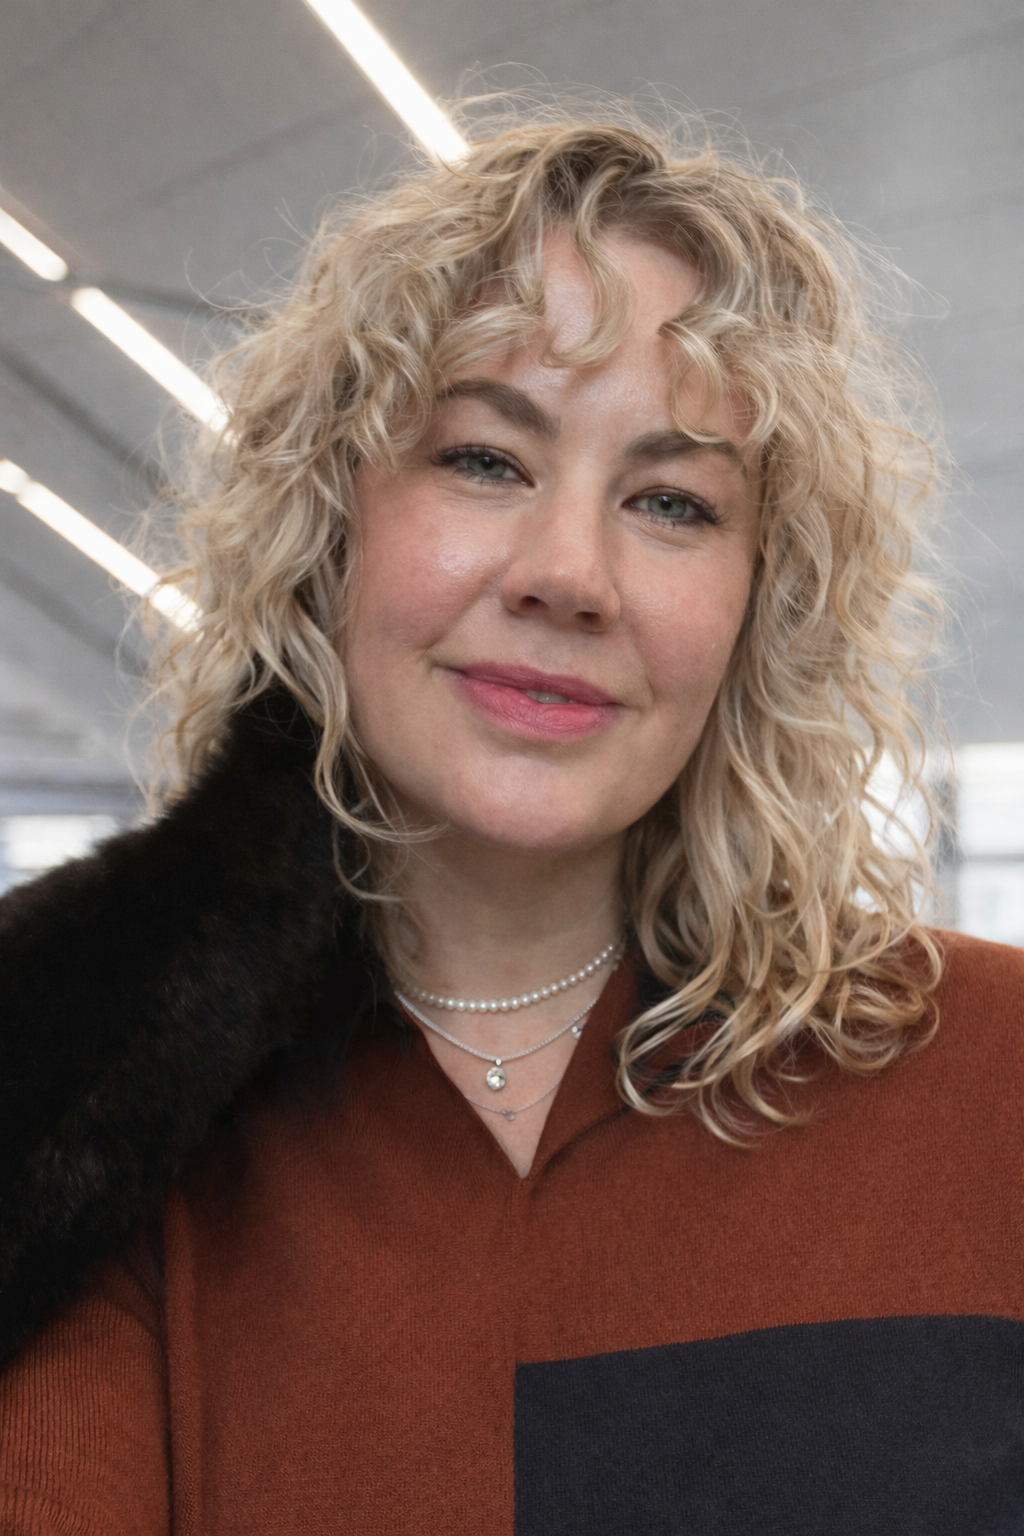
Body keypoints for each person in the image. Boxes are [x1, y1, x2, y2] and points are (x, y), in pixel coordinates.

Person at [0, 107, 1022, 1535]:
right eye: (486, 459)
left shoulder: (993, 1086)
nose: (569, 574)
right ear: (332, 524)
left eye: (673, 501)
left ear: (760, 606)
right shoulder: (83, 1124)